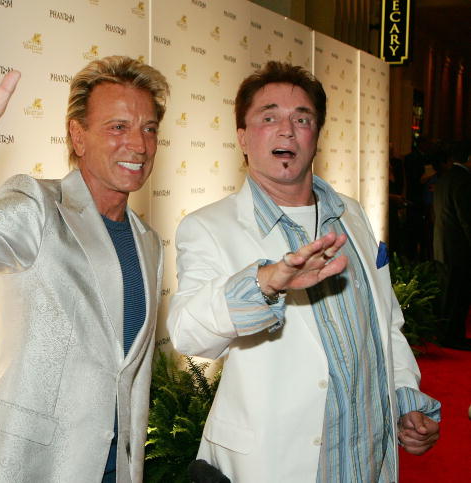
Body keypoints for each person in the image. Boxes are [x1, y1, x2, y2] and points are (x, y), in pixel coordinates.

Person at [0, 17, 169, 483]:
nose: (138, 144)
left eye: (149, 129)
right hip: (29, 470)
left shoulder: (148, 241)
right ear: (77, 136)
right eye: (118, 127)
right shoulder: (37, 207)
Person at [167, 61, 440, 482]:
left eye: (302, 119)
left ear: (317, 135)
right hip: (277, 463)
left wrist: (404, 398)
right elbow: (189, 333)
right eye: (269, 117)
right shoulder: (208, 227)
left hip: (368, 461)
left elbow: (385, 326)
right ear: (242, 137)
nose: (287, 131)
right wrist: (264, 284)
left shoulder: (352, 214)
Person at [433, 141, 471, 350]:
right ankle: (453, 337)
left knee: (447, 293)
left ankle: (445, 334)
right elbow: (466, 218)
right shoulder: (464, 180)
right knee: (457, 294)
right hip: (458, 248)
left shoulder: (444, 178)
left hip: (442, 244)